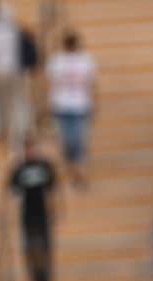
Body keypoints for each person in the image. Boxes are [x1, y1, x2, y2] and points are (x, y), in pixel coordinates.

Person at [0, 136, 60, 281]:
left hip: (43, 213)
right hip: (28, 214)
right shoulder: (19, 169)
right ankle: (36, 279)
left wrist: (56, 211)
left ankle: (46, 279)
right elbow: (10, 192)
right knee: (32, 247)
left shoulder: (45, 166)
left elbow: (53, 190)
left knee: (45, 248)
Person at [46, 30, 97, 189]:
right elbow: (50, 84)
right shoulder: (57, 60)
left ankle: (80, 174)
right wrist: (47, 104)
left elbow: (91, 84)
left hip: (80, 105)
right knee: (67, 140)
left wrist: (94, 103)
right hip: (62, 105)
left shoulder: (86, 60)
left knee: (79, 140)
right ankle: (72, 164)